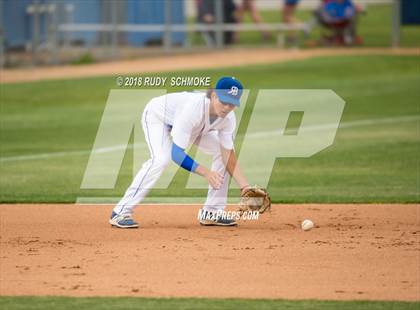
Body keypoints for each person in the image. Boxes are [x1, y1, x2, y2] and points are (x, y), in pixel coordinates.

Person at [110, 77, 251, 228]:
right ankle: (121, 211)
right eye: (224, 101)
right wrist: (206, 173)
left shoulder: (228, 119)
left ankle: (213, 211)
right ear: (214, 95)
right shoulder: (193, 109)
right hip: (159, 117)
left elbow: (228, 155)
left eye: (232, 104)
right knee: (161, 159)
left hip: (193, 126)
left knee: (221, 151)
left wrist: (245, 187)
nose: (226, 108)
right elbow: (176, 154)